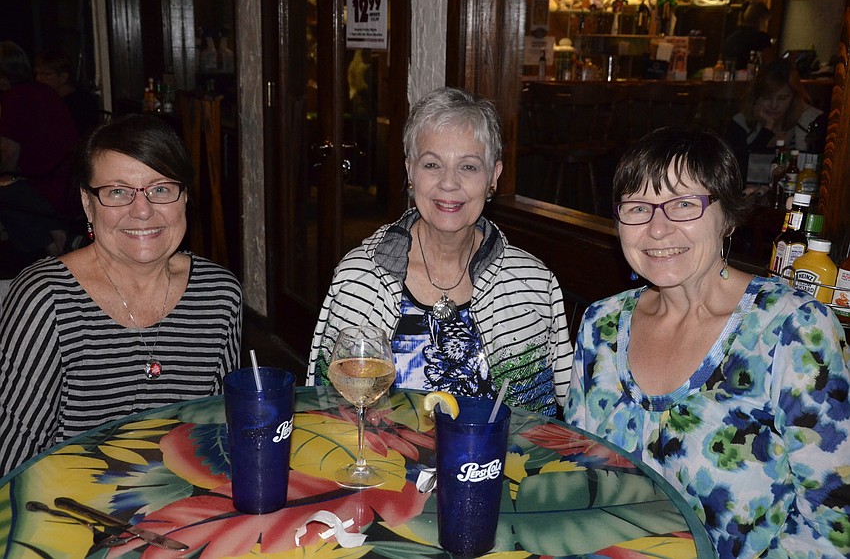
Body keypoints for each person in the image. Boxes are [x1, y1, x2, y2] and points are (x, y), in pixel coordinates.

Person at [563, 126, 850, 557]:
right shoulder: (600, 326)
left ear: (729, 216)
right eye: (638, 207)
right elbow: (577, 476)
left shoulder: (794, 329)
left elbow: (833, 527)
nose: (657, 229)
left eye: (683, 204)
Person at [0, 114, 243, 475]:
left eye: (160, 189)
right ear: (87, 203)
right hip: (64, 508)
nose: (142, 211)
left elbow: (222, 431)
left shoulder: (219, 293)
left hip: (182, 506)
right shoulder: (46, 299)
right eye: (117, 192)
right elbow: (12, 458)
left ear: (185, 197)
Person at [307, 87, 572, 416]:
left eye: (469, 167)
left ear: (494, 177)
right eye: (432, 164)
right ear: (410, 172)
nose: (449, 183)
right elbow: (325, 406)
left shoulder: (532, 283)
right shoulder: (360, 277)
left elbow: (563, 418)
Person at [0, 41, 77, 262]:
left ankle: (49, 246)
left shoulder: (15, 99)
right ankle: (60, 237)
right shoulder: (44, 92)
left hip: (47, 184)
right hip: (67, 180)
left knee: (5, 194)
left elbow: (8, 154)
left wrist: (6, 176)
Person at [725, 58, 826, 184]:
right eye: (767, 97)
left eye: (782, 98)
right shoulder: (740, 123)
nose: (774, 105)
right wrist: (766, 130)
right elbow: (734, 175)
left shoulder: (813, 121)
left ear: (794, 98)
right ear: (756, 97)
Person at [34, 48, 100, 136]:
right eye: (37, 73)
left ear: (63, 77)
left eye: (46, 74)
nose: (38, 78)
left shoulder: (81, 103)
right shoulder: (47, 100)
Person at [721, 0, 775, 71]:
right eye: (766, 20)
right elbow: (770, 62)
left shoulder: (731, 38)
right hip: (751, 79)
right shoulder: (761, 38)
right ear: (761, 20)